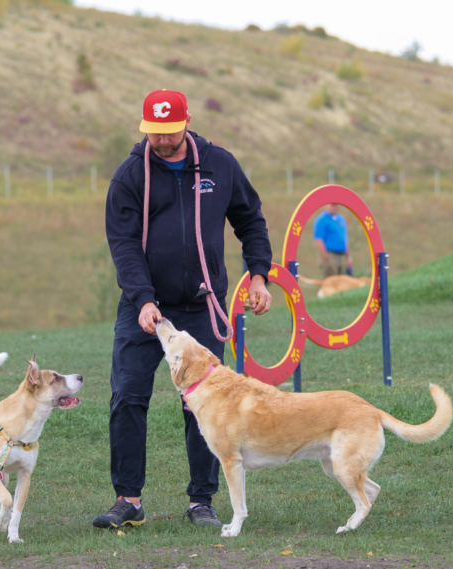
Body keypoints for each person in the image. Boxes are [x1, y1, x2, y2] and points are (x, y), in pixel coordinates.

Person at [99, 89, 273, 529]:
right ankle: (128, 500)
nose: (160, 140)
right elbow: (122, 244)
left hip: (201, 303)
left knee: (207, 404)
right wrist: (142, 298)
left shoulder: (220, 165)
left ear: (187, 121)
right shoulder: (129, 176)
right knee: (128, 396)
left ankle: (202, 501)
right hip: (145, 306)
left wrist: (258, 274)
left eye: (169, 131)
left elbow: (250, 219)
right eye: (153, 132)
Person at [313, 204, 352, 277]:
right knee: (331, 284)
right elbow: (318, 240)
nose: (335, 207)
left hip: (341, 257)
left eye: (336, 205)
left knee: (341, 284)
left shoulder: (341, 219)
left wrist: (348, 258)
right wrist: (326, 258)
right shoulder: (322, 220)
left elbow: (344, 239)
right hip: (330, 255)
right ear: (326, 205)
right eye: (332, 205)